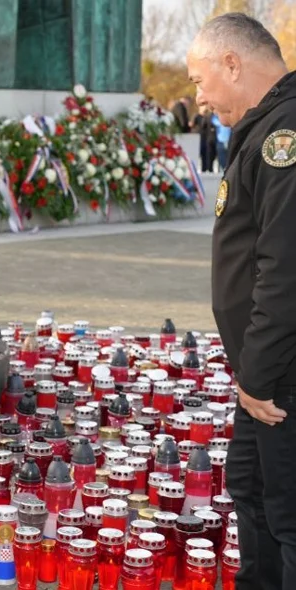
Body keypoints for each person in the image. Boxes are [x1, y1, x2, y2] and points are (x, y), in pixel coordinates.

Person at [188, 12, 296, 590]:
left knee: (287, 516)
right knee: (250, 493)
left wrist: (256, 377)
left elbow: (286, 268)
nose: (200, 98)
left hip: (278, 375)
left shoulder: (286, 132)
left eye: (201, 81)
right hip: (261, 374)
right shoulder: (262, 127)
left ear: (233, 63)